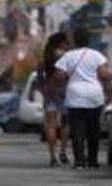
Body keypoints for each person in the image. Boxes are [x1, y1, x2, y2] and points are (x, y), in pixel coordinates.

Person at [55, 26, 111, 170]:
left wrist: (67, 76)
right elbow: (104, 75)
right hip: (94, 95)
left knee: (77, 130)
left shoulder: (68, 56)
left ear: (74, 41)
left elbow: (58, 75)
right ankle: (92, 161)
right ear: (89, 40)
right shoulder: (97, 55)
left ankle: (79, 161)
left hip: (75, 96)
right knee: (94, 130)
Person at [37, 32, 71, 167]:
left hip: (50, 95)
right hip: (65, 93)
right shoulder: (67, 57)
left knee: (50, 124)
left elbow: (39, 77)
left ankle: (52, 156)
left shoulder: (46, 57)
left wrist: (43, 90)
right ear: (61, 42)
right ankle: (63, 151)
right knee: (66, 124)